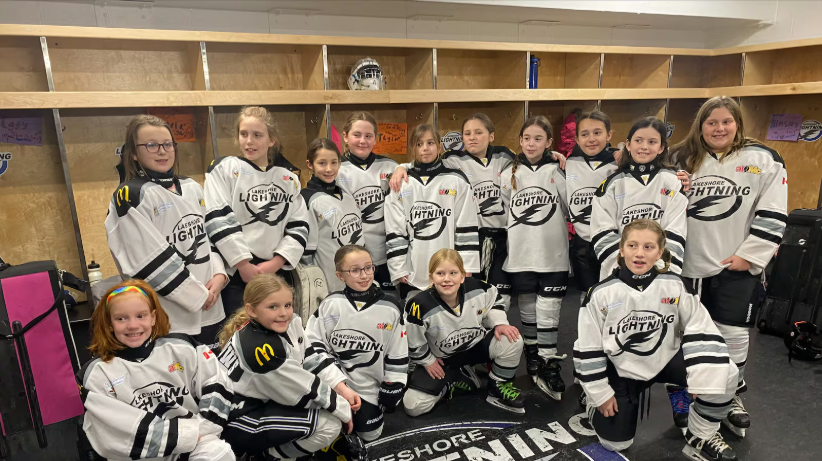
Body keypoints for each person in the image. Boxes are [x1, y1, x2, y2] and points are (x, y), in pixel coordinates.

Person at [667, 95, 788, 439]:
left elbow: (774, 209)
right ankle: (685, 391)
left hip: (734, 264)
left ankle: (730, 392)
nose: (719, 128)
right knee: (682, 335)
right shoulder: (678, 157)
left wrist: (752, 254)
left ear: (737, 123)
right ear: (700, 125)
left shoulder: (763, 159)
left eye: (726, 121)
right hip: (685, 266)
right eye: (711, 122)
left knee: (732, 335)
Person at [573, 219, 740, 461]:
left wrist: (703, 378)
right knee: (615, 444)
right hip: (622, 369)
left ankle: (701, 434)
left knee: (727, 372)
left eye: (648, 247)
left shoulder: (676, 285)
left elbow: (700, 326)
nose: (639, 253)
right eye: (632, 245)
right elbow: (588, 346)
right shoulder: (600, 294)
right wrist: (599, 392)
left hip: (665, 359)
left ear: (660, 252)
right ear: (621, 249)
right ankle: (591, 403)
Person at [390, 114, 566, 309]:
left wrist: (551, 155)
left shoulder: (504, 156)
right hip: (474, 237)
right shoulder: (453, 159)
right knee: (470, 295)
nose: (472, 137)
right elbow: (426, 162)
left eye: (478, 132)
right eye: (467, 133)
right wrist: (401, 167)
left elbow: (529, 157)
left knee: (502, 296)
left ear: (491, 136)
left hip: (502, 237)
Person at [78, 279, 234, 461]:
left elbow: (217, 381)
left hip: (196, 438)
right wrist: (185, 436)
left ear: (153, 317)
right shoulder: (97, 373)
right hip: (142, 454)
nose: (133, 325)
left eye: (140, 316)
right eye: (121, 318)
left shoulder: (182, 348)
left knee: (220, 453)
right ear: (109, 324)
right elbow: (115, 429)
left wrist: (205, 426)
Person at [105, 115, 227, 344]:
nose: (162, 151)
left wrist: (219, 275)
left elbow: (206, 240)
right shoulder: (131, 195)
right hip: (171, 317)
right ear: (133, 153)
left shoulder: (192, 187)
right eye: (151, 145)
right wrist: (197, 295)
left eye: (167, 144)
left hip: (211, 306)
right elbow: (147, 261)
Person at [217, 273, 352, 459]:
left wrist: (340, 387)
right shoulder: (261, 350)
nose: (283, 313)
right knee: (330, 425)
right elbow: (305, 391)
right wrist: (344, 411)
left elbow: (310, 358)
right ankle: (267, 456)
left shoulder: (289, 322)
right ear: (252, 310)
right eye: (273, 307)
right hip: (237, 419)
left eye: (287, 305)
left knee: (327, 405)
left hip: (260, 400)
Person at [204, 106, 309, 317]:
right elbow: (218, 218)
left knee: (276, 327)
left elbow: (299, 225)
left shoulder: (288, 178)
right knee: (239, 329)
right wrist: (243, 264)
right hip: (236, 272)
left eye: (257, 135)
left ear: (271, 140)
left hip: (275, 271)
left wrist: (277, 262)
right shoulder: (224, 169)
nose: (249, 141)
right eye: (244, 134)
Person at [304, 244, 408, 443]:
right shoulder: (330, 304)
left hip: (369, 389)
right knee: (327, 428)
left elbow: (398, 349)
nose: (364, 275)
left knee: (370, 434)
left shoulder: (390, 307)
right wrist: (337, 383)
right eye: (355, 270)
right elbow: (312, 345)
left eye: (368, 267)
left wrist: (394, 382)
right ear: (340, 275)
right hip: (334, 383)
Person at [403, 249, 525, 415]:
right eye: (440, 273)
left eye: (453, 273)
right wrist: (427, 360)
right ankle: (456, 378)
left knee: (512, 338)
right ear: (431, 278)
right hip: (443, 360)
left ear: (462, 276)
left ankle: (498, 385)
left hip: (475, 347)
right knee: (413, 407)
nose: (447, 279)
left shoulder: (478, 288)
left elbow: (494, 300)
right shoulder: (418, 305)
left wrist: (500, 323)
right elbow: (412, 339)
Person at [500, 115, 569, 400]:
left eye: (538, 138)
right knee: (527, 306)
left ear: (549, 142)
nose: (531, 143)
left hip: (553, 253)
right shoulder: (508, 173)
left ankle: (548, 360)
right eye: (526, 138)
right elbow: (504, 212)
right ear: (519, 140)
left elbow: (571, 206)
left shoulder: (559, 170)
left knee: (549, 309)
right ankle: (533, 355)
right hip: (521, 253)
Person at [384, 124, 480, 302]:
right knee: (415, 314)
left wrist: (466, 264)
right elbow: (395, 229)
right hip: (413, 269)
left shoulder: (456, 180)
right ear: (413, 148)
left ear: (440, 146)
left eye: (430, 143)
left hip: (449, 267)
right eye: (419, 144)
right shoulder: (401, 183)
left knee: (450, 312)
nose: (425, 148)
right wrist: (398, 268)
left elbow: (466, 224)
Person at [590, 117, 688, 280]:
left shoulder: (673, 182)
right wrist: (624, 268)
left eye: (652, 142)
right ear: (628, 145)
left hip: (659, 276)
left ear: (661, 148)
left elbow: (676, 230)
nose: (644, 147)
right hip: (620, 274)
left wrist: (660, 269)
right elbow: (601, 231)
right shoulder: (611, 185)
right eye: (638, 140)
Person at [336, 112, 400, 298]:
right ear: (345, 136)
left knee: (389, 303)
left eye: (368, 136)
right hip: (353, 258)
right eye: (356, 135)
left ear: (375, 138)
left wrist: (403, 168)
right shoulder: (336, 169)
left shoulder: (390, 166)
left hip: (386, 254)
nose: (362, 141)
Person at [565, 111, 620, 300]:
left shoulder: (620, 163)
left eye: (597, 132)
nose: (591, 139)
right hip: (583, 241)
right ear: (577, 139)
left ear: (609, 135)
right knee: (587, 294)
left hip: (614, 240)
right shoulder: (570, 162)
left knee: (614, 293)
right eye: (584, 134)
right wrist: (553, 155)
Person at [301, 138, 366, 292]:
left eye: (334, 162)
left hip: (358, 279)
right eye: (322, 163)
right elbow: (306, 255)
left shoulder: (346, 194)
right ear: (310, 164)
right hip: (330, 285)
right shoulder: (307, 200)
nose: (329, 169)